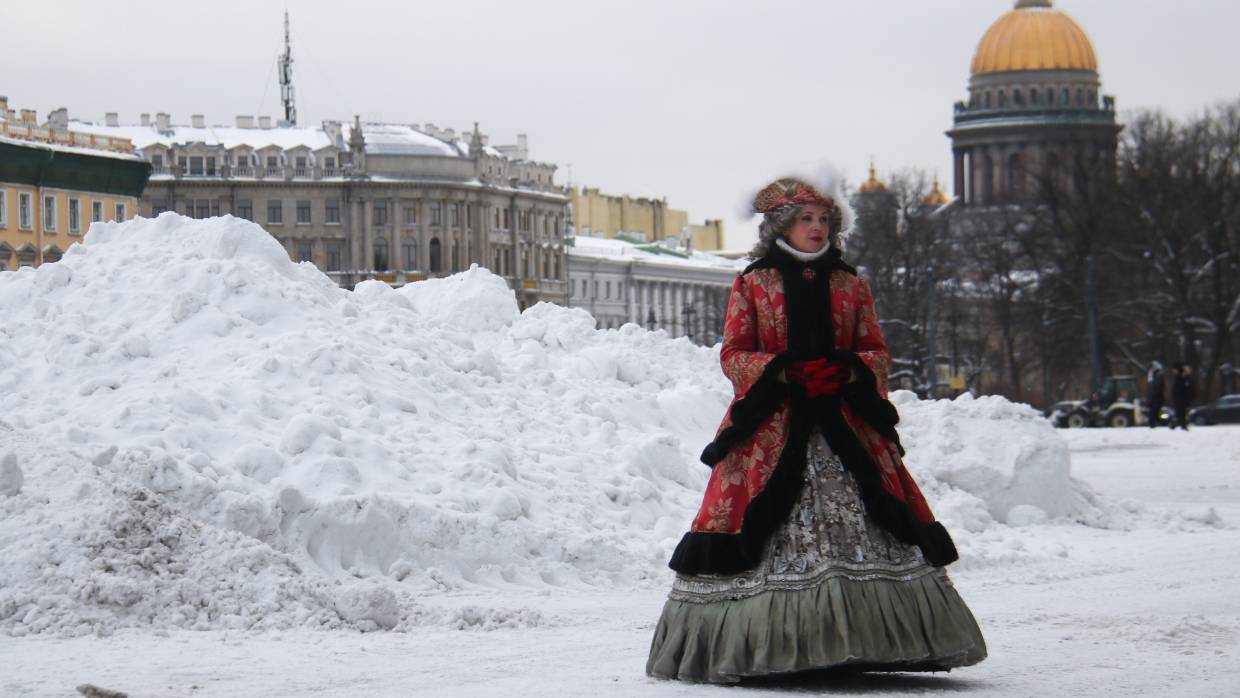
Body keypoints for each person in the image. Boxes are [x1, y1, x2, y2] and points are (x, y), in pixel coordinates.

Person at [646, 175, 986, 683]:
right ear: (782, 224)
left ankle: (872, 638)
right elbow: (734, 353)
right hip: (775, 421)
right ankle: (766, 644)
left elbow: (876, 350)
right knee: (761, 513)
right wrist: (783, 368)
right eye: (806, 219)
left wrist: (849, 368)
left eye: (824, 219)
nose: (817, 228)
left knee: (869, 505)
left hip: (842, 418)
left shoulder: (851, 282)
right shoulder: (754, 281)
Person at [1171, 363, 1196, 430]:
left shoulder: (1183, 378)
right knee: (1180, 413)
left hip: (1182, 399)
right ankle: (1178, 424)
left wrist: (1188, 398)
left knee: (1181, 413)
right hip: (1179, 398)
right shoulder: (1179, 377)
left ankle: (1180, 425)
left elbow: (1187, 389)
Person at [1146, 362, 1165, 428]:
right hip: (1154, 398)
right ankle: (1155, 424)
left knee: (1155, 412)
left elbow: (1156, 389)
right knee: (1154, 412)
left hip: (1155, 398)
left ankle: (1156, 424)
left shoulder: (1156, 376)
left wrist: (1151, 398)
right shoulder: (1153, 376)